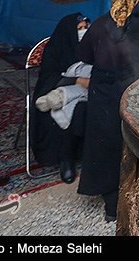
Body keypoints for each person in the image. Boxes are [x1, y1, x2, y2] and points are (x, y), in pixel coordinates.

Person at [76, 0, 139, 222]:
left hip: (101, 92)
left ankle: (111, 206)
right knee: (129, 143)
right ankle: (133, 197)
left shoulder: (98, 25)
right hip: (131, 89)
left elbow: (84, 56)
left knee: (103, 142)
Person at [30, 13, 90, 184]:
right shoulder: (57, 49)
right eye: (79, 29)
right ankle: (66, 158)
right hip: (53, 96)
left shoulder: (92, 47)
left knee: (88, 106)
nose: (84, 31)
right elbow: (49, 79)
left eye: (86, 28)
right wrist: (77, 80)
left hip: (85, 94)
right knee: (70, 109)